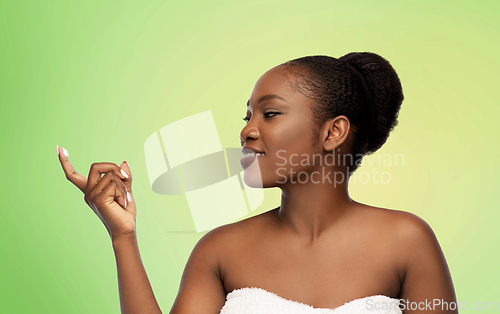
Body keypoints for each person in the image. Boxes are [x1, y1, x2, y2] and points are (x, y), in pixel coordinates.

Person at [57, 52, 457, 313]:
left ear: (333, 132)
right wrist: (122, 237)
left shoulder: (407, 241)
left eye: (270, 114)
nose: (246, 131)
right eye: (247, 116)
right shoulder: (220, 250)